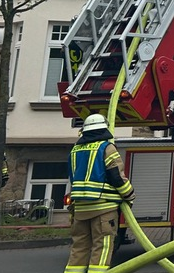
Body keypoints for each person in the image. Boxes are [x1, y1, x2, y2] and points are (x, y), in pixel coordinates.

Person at [65, 114, 135, 273]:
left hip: (80, 210)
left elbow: (73, 177)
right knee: (102, 247)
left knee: (79, 248)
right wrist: (129, 195)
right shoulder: (107, 148)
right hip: (103, 208)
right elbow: (117, 177)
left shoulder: (75, 150)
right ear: (104, 129)